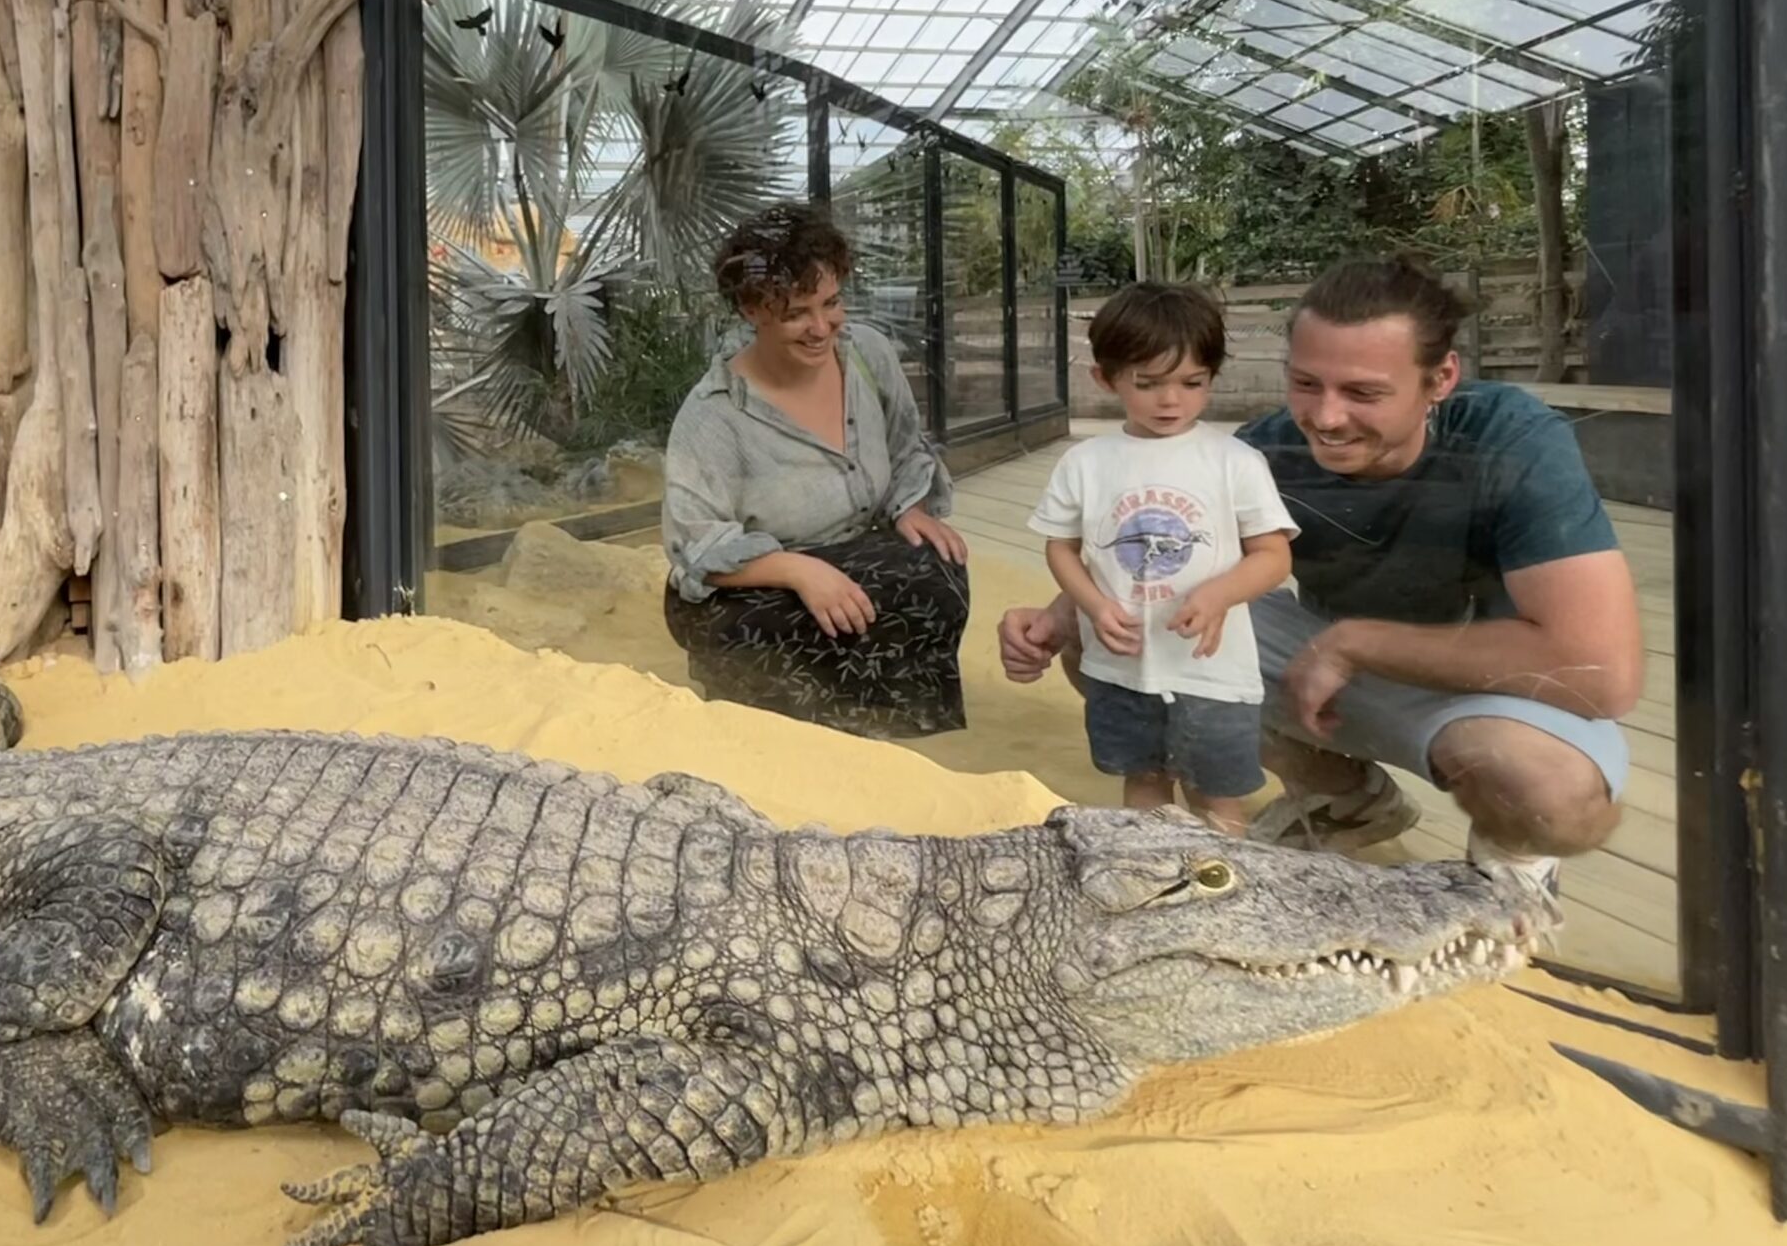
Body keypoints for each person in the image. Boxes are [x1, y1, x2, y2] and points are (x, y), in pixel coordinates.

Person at [998, 256, 1644, 895]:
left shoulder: (1510, 440)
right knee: (1107, 641)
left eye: (1363, 393)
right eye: (1307, 384)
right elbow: (1163, 548)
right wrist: (1054, 620)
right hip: (1326, 663)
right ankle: (1345, 796)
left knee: (1555, 799)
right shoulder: (1266, 448)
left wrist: (1354, 643)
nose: (1326, 418)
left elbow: (1604, 673)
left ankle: (1509, 865)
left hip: (1486, 682)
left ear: (1441, 378)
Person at [660, 201, 973, 739]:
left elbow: (905, 447)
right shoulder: (712, 417)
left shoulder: (868, 355)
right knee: (758, 626)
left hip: (851, 553)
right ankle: (782, 739)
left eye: (831, 303)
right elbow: (698, 550)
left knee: (936, 569)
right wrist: (799, 572)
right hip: (753, 583)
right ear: (752, 309)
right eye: (797, 313)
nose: (821, 327)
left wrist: (909, 507)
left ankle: (886, 730)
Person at [1021, 281, 1297, 833]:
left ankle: (1226, 880)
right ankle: (1150, 872)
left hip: (1211, 671)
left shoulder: (1234, 460)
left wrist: (1219, 595)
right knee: (1144, 786)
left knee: (1217, 801)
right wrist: (1092, 604)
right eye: (1147, 383)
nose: (1170, 400)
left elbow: (1273, 556)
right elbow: (1061, 546)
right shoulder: (1087, 462)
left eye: (1192, 383)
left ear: (1212, 376)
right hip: (1121, 667)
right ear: (1106, 378)